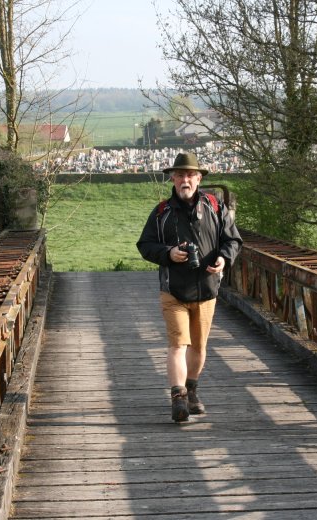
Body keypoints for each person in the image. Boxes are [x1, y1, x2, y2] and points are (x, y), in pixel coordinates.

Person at [137, 152, 243, 422]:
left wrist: (223, 258)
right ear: (172, 178)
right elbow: (145, 245)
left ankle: (192, 390)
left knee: (199, 346)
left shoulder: (214, 206)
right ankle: (179, 398)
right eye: (180, 175)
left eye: (190, 175)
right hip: (174, 290)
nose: (185, 180)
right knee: (177, 345)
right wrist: (168, 254)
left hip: (207, 289)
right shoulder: (162, 212)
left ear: (199, 178)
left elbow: (233, 240)